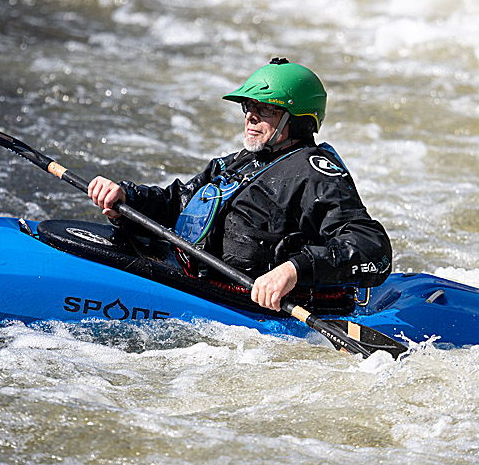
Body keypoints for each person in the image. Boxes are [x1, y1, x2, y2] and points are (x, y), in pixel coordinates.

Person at [87, 57, 392, 312]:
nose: (250, 117)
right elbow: (178, 204)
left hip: (250, 307)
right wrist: (126, 197)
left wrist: (293, 270)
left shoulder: (315, 173)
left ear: (298, 121)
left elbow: (372, 248)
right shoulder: (240, 162)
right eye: (248, 106)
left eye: (266, 109)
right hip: (198, 283)